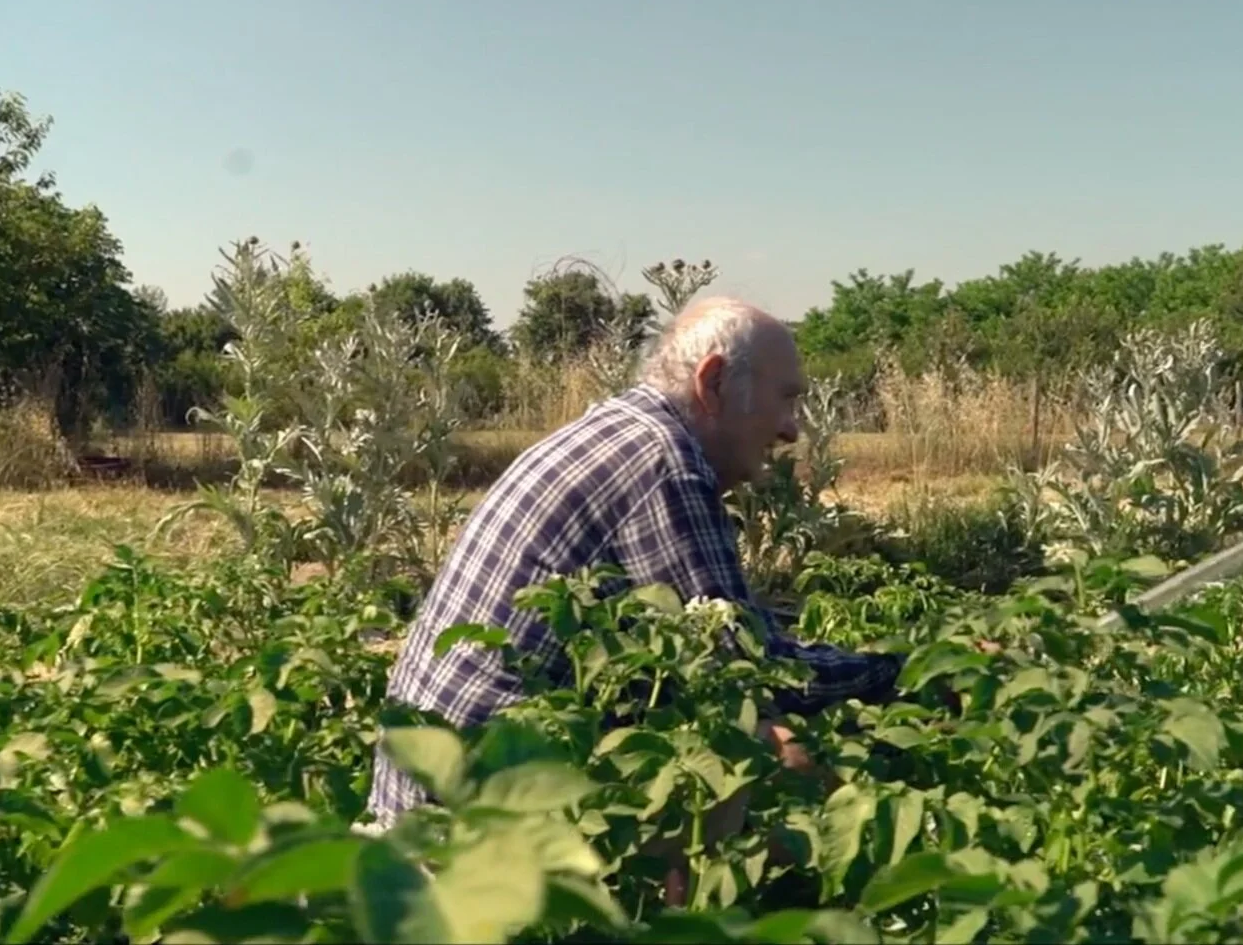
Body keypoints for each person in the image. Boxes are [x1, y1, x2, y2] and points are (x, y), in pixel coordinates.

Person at [366, 296, 905, 897]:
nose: (791, 429)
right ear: (714, 383)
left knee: (740, 743)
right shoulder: (665, 463)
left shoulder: (618, 430)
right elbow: (750, 666)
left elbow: (705, 636)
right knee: (786, 763)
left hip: (424, 797)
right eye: (785, 398)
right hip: (472, 828)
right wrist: (898, 673)